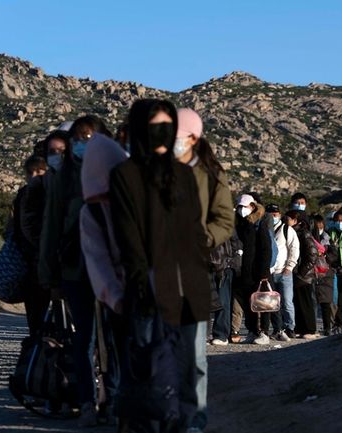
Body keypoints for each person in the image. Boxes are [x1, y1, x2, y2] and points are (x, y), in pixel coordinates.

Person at [109, 99, 211, 431]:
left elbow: (195, 228)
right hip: (150, 288)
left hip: (188, 287)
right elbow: (129, 237)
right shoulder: (125, 175)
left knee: (188, 366)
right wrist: (141, 286)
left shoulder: (183, 174)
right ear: (141, 129)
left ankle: (188, 423)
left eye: (170, 126)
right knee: (149, 364)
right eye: (156, 127)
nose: (165, 135)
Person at [38, 114, 112, 427]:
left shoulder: (116, 172)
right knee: (85, 338)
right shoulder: (62, 179)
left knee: (112, 338)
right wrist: (49, 276)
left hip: (112, 270)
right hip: (75, 270)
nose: (83, 145)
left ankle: (114, 398)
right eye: (79, 139)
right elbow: (50, 229)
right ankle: (87, 402)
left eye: (90, 138)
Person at [173, 108, 234, 431]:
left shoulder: (211, 175)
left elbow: (225, 220)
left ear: (193, 138)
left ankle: (194, 418)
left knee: (194, 353)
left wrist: (203, 238)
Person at [78, 134, 127, 425]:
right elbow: (97, 258)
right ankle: (114, 403)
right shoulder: (92, 211)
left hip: (143, 289)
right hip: (115, 293)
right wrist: (115, 295)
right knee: (107, 346)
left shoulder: (134, 202)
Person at [12, 156, 48, 337]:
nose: (34, 176)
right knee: (36, 320)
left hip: (52, 261)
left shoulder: (56, 192)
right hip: (32, 264)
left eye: (39, 171)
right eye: (30, 172)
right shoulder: (24, 195)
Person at [231, 194, 273, 345]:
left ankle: (264, 332)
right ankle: (252, 330)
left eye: (245, 206)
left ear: (253, 207)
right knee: (249, 303)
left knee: (262, 302)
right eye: (240, 207)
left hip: (259, 272)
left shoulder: (259, 225)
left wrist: (263, 273)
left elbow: (266, 250)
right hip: (245, 272)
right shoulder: (240, 225)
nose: (242, 209)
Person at [266, 203, 299, 341]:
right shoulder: (264, 229)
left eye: (276, 214)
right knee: (272, 303)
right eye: (271, 214)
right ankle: (276, 328)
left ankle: (290, 327)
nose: (274, 216)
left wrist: (289, 267)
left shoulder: (287, 229)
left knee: (286, 302)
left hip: (284, 272)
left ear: (280, 215)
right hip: (270, 273)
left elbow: (294, 248)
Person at [286, 210, 319, 339]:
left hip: (305, 276)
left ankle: (310, 329)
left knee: (306, 303)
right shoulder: (293, 232)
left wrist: (301, 273)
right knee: (298, 303)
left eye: (288, 218)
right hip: (297, 274)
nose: (286, 220)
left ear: (296, 220)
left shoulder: (304, 234)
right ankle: (300, 328)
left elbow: (312, 255)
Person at [311, 214, 335, 335]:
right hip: (312, 273)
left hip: (326, 274)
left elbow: (334, 254)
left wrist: (326, 258)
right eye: (317, 225)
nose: (319, 227)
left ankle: (327, 327)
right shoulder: (309, 238)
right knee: (313, 302)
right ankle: (312, 327)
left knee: (326, 303)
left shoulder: (328, 239)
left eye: (321, 225)